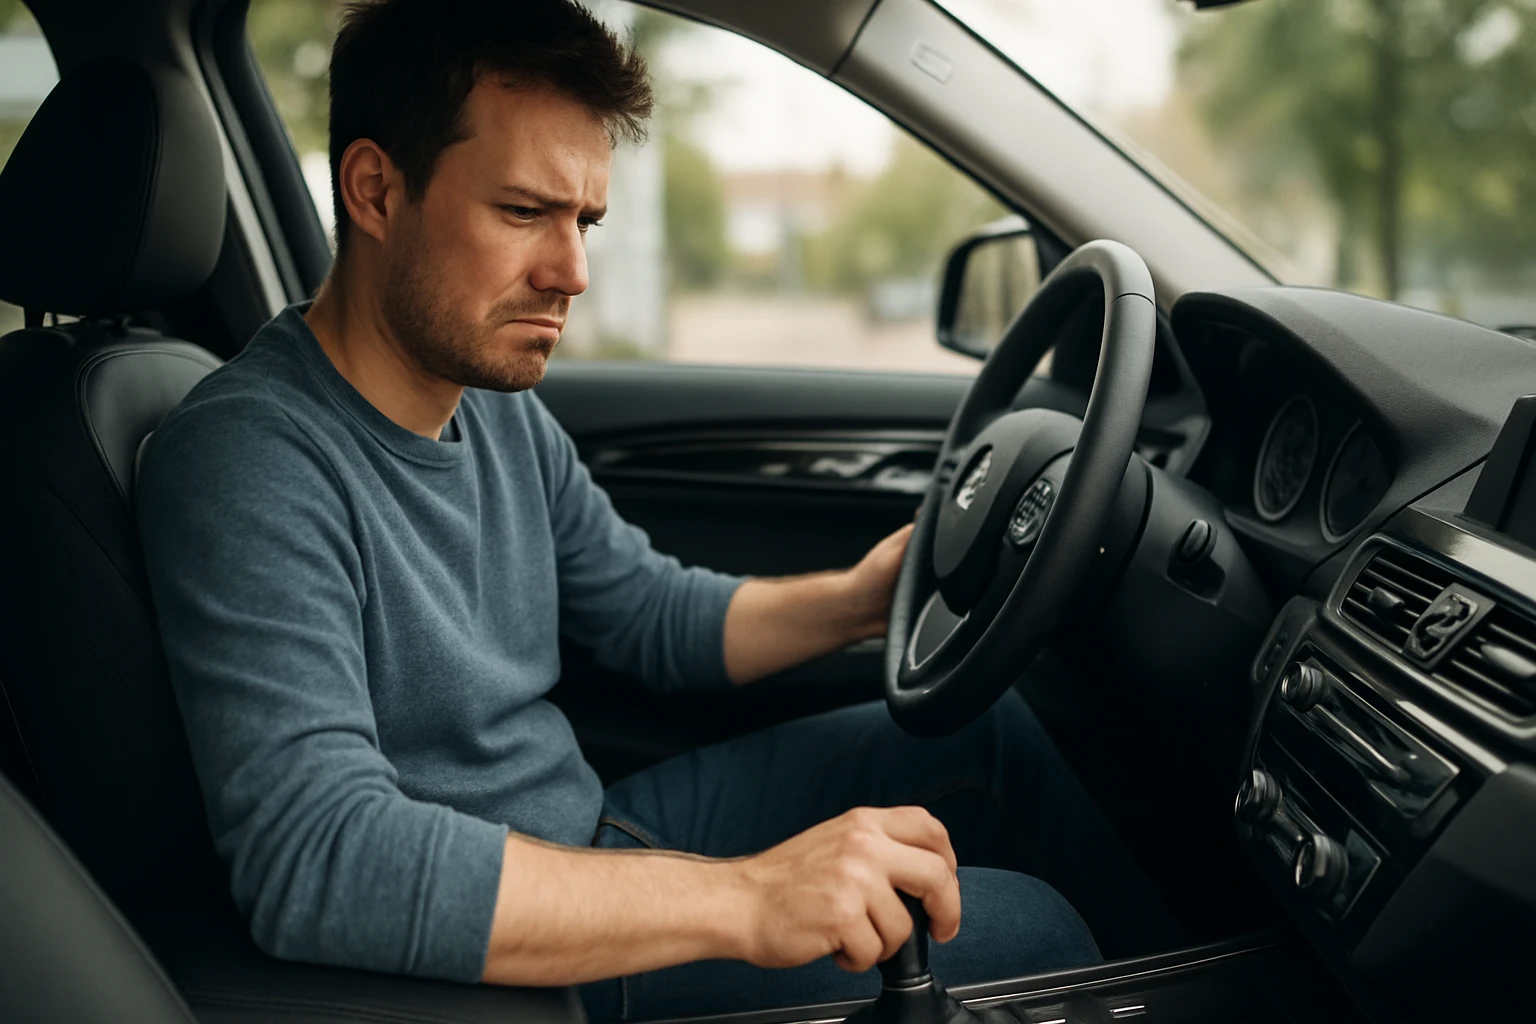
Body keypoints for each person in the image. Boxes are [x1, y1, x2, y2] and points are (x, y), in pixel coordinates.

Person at [136, 1, 1179, 1019]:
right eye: (522, 212)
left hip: (597, 827)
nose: (573, 272)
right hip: (522, 957)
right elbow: (317, 854)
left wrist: (864, 600)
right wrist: (747, 898)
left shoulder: (495, 409)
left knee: (988, 732)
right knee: (1034, 931)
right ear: (374, 189)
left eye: (584, 219)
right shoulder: (248, 459)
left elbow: (646, 612)